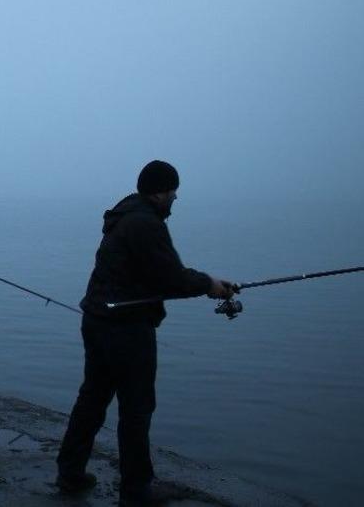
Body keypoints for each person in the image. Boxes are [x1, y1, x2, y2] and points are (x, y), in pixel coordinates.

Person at [55, 160, 236, 505]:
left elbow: (156, 271)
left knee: (92, 399)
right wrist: (209, 285)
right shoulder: (145, 224)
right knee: (136, 409)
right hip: (126, 329)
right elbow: (171, 278)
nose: (175, 199)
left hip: (97, 319)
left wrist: (204, 282)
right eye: (173, 193)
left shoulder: (124, 216)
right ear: (159, 192)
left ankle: (70, 473)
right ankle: (136, 492)